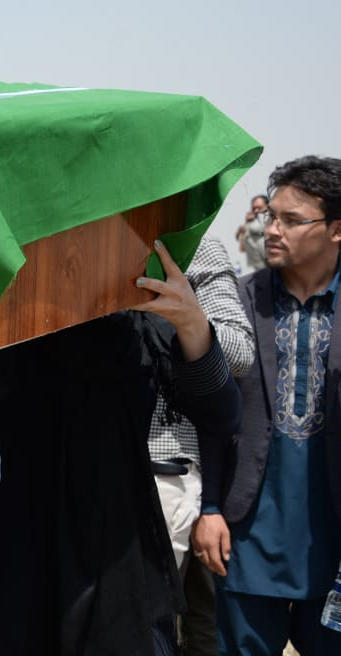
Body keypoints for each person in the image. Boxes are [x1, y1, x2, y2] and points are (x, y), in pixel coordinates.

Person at [0, 239, 242, 656]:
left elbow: (221, 414)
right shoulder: (20, 287)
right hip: (27, 548)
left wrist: (192, 323)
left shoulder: (134, 305)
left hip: (123, 551)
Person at [195, 155, 341, 655]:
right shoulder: (237, 301)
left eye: (291, 220)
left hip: (331, 534)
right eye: (269, 217)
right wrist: (209, 508)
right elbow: (212, 412)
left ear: (336, 229)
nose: (272, 230)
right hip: (246, 535)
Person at [145, 235, 253, 655]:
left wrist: (189, 321)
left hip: (162, 471)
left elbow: (239, 353)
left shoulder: (194, 244)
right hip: (69, 460)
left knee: (143, 629)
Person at [236, 194, 269, 272]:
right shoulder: (251, 225)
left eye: (259, 207)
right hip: (262, 267)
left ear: (267, 206)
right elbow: (242, 248)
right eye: (254, 208)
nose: (256, 211)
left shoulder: (275, 218)